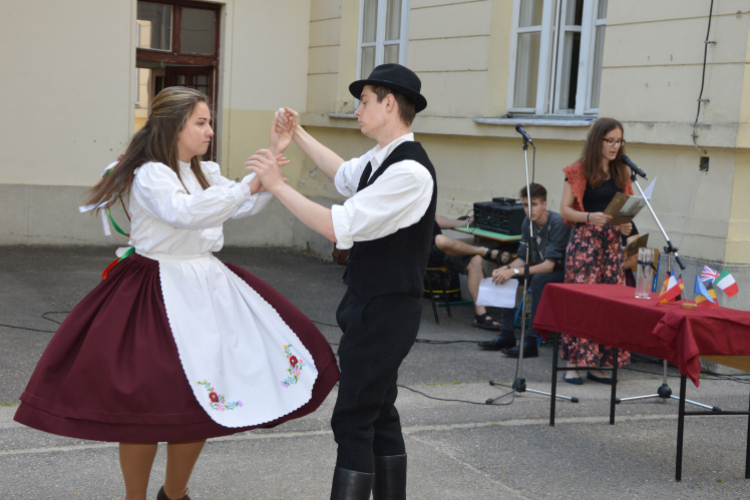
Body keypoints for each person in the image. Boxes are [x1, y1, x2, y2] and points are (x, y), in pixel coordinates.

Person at [13, 87, 339, 500]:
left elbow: (236, 207)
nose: (209, 131)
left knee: (199, 402)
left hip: (206, 288)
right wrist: (250, 185)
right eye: (200, 123)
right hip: (154, 293)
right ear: (174, 126)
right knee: (145, 406)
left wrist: (270, 163)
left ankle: (175, 493)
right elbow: (184, 214)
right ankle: (135, 497)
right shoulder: (151, 174)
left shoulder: (205, 172)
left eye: (209, 122)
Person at [247, 63, 433, 500]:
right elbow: (344, 173)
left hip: (387, 308)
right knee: (378, 411)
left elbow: (338, 226)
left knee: (352, 416)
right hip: (371, 303)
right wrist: (300, 132)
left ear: (389, 104)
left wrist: (277, 185)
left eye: (363, 101)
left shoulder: (410, 172)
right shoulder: (382, 159)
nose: (356, 109)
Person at [558, 117, 633, 385]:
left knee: (608, 304)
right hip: (585, 244)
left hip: (612, 246)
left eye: (619, 141)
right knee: (583, 302)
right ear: (597, 140)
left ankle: (599, 362)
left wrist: (625, 226)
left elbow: (625, 209)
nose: (615, 146)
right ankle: (573, 363)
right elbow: (565, 210)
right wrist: (590, 217)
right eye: (609, 140)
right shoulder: (579, 170)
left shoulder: (622, 172)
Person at [477, 183, 570, 358]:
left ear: (544, 204)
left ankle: (531, 341)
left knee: (537, 280)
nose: (529, 210)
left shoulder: (557, 223)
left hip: (563, 272)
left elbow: (549, 265)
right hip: (540, 270)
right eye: (526, 205)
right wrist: (506, 269)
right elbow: (521, 258)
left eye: (534, 205)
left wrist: (515, 271)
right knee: (507, 277)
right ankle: (506, 335)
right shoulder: (527, 222)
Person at [429, 215, 510, 330]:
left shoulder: (423, 202)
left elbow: (435, 219)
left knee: (475, 260)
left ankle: (480, 315)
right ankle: (484, 251)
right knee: (440, 239)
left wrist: (465, 222)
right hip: (422, 255)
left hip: (440, 252)